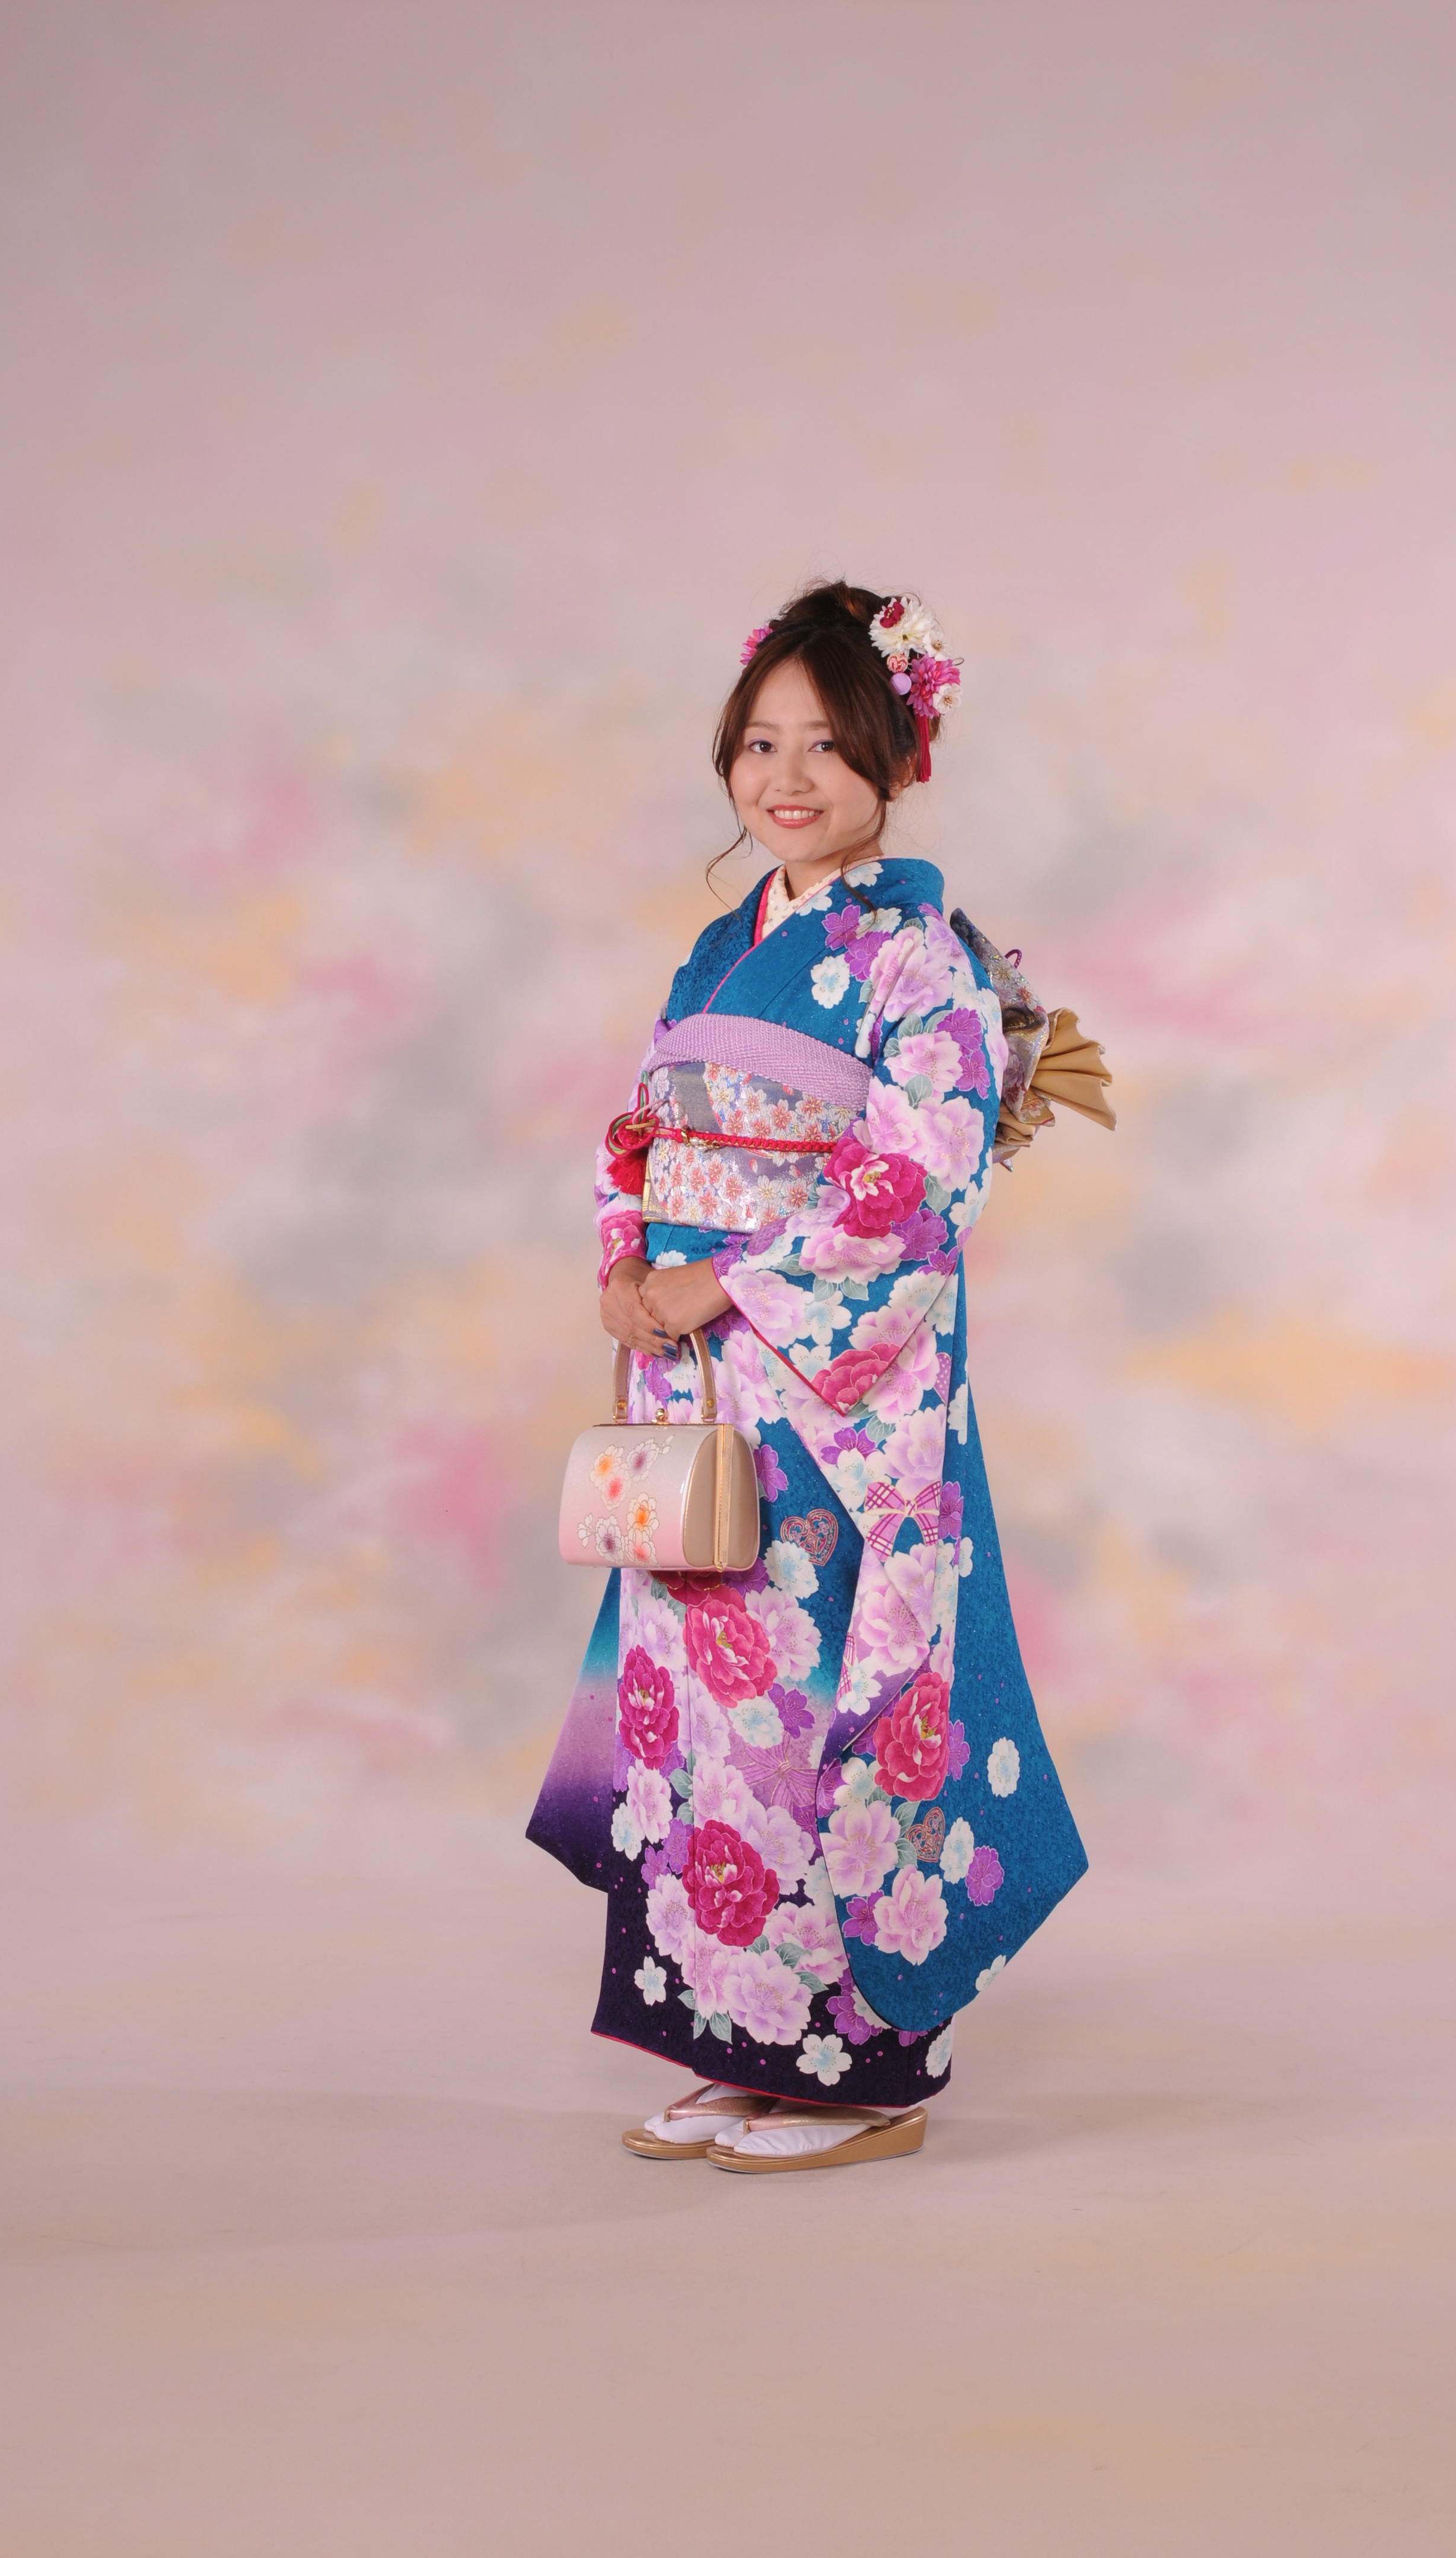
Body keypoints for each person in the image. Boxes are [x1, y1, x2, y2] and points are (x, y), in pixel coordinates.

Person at [528, 580, 1087, 2174]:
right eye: (761, 743)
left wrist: (726, 1281)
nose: (788, 778)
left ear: (897, 759)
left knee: (815, 1708)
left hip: (828, 1408)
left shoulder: (922, 958)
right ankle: (738, 2040)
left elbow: (915, 1183)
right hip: (698, 1384)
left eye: (829, 746)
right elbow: (642, 1138)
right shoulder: (723, 948)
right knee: (702, 1714)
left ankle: (860, 2069)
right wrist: (626, 1264)